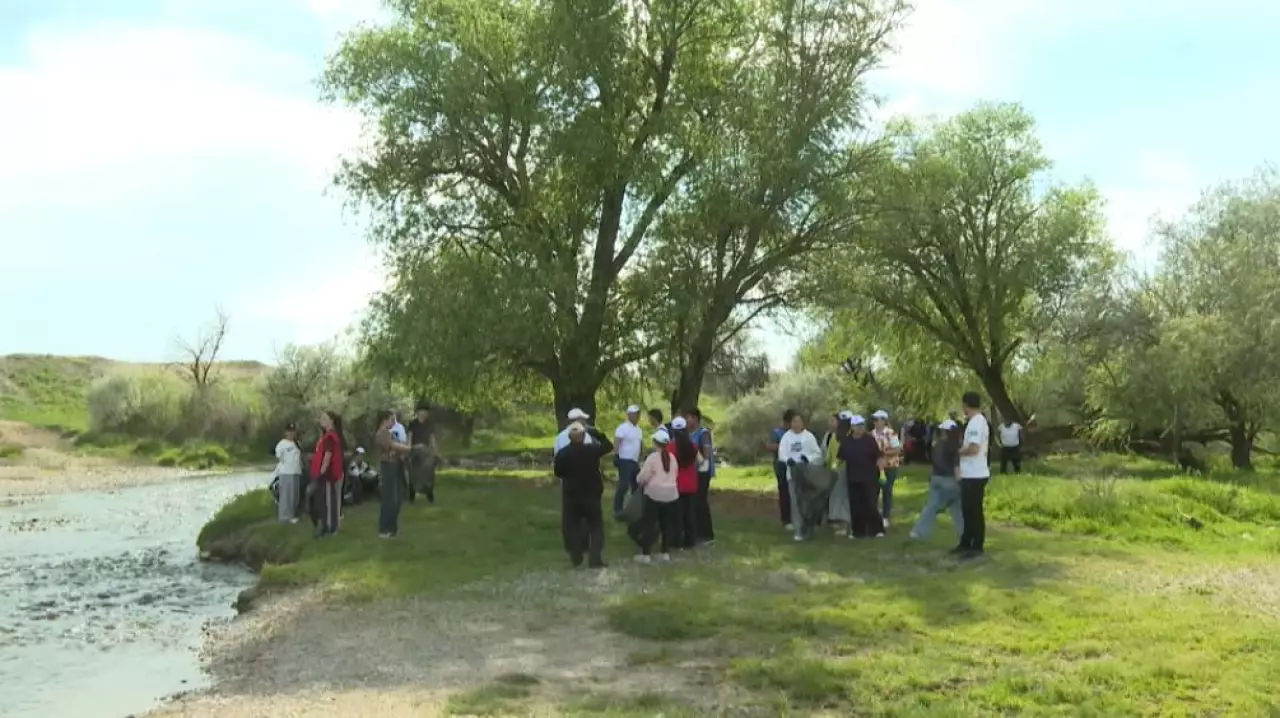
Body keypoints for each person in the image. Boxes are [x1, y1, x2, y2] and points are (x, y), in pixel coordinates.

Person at [553, 422, 614, 568]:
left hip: (571, 495)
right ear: (583, 436)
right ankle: (595, 559)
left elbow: (558, 472)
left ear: (569, 437)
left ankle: (576, 553)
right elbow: (608, 446)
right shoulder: (591, 450)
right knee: (595, 527)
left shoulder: (563, 453)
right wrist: (595, 432)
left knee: (572, 525)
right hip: (591, 493)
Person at [630, 428, 680, 563]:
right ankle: (665, 553)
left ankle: (646, 554)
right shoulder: (672, 458)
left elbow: (643, 477)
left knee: (649, 523)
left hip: (654, 495)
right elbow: (676, 474)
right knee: (666, 524)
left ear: (655, 443)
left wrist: (638, 480)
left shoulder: (652, 458)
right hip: (671, 495)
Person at [910, 419, 964, 541]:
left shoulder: (936, 445)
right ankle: (963, 533)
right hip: (949, 479)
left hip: (935, 478)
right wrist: (960, 481)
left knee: (931, 506)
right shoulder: (953, 446)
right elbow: (956, 466)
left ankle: (918, 532)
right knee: (957, 508)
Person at [776, 411, 822, 541]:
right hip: (793, 473)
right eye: (794, 421)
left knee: (808, 501)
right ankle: (799, 529)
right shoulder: (786, 437)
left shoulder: (809, 436)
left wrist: (807, 458)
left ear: (803, 423)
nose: (796, 424)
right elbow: (782, 454)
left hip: (807, 473)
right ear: (790, 423)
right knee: (796, 502)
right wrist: (788, 460)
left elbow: (817, 454)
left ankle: (810, 526)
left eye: (799, 421)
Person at [955, 392, 991, 558]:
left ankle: (977, 546)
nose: (963, 408)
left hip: (976, 474)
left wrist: (957, 453)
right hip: (969, 474)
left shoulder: (977, 422)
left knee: (974, 511)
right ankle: (965, 542)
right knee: (966, 510)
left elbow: (974, 448)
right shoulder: (973, 422)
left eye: (963, 405)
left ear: (967, 405)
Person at [839, 414, 885, 539]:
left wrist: (882, 471)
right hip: (853, 477)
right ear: (852, 427)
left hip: (869, 477)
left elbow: (879, 456)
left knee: (870, 504)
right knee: (856, 506)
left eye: (861, 425)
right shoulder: (847, 442)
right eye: (857, 425)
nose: (860, 428)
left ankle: (877, 530)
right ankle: (858, 531)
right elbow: (840, 459)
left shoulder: (869, 440)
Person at [373, 410, 412, 538]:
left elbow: (399, 446)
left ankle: (392, 528)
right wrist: (411, 449)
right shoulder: (381, 434)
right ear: (384, 420)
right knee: (389, 498)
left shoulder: (389, 433)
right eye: (391, 419)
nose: (393, 422)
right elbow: (393, 446)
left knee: (398, 496)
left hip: (396, 465)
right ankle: (385, 529)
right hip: (388, 466)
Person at [308, 410, 345, 538]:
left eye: (325, 418)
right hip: (327, 474)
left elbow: (328, 456)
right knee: (327, 501)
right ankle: (329, 525)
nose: (321, 420)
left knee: (333, 501)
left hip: (331, 474)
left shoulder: (330, 436)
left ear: (331, 420)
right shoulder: (325, 435)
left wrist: (321, 472)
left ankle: (333, 528)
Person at [685, 408, 716, 546]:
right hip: (693, 473)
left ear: (696, 419)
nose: (686, 421)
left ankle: (706, 535)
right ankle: (696, 532)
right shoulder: (689, 434)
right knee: (694, 503)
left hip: (703, 472)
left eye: (688, 418)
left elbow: (706, 453)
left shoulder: (703, 434)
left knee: (700, 502)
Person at [668, 416, 700, 549]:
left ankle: (676, 540)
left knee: (677, 514)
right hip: (691, 483)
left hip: (677, 483)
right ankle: (690, 540)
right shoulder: (693, 446)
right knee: (689, 513)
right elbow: (697, 463)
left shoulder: (670, 447)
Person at [612, 405, 644, 521]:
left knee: (636, 485)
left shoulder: (638, 429)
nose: (637, 416)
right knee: (624, 485)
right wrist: (616, 455)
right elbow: (617, 441)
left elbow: (639, 444)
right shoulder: (623, 428)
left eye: (638, 414)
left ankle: (633, 509)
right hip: (625, 459)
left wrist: (641, 456)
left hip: (634, 460)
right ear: (629, 415)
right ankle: (618, 509)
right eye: (635, 414)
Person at [871, 410, 902, 528]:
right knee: (874, 491)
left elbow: (897, 449)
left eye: (877, 420)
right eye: (874, 420)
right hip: (875, 467)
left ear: (884, 420)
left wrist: (883, 453)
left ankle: (885, 517)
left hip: (890, 466)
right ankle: (873, 515)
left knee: (887, 491)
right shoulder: (871, 434)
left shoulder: (890, 433)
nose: (875, 422)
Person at [406, 403, 440, 503]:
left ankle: (429, 493)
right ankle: (412, 493)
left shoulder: (429, 424)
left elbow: (432, 439)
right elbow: (410, 438)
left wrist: (435, 452)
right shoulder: (412, 424)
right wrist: (408, 450)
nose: (424, 413)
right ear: (418, 412)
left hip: (426, 451)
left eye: (426, 412)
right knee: (414, 473)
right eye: (423, 411)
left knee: (428, 472)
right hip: (415, 450)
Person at [766, 411, 794, 531]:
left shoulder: (796, 433)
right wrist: (785, 445)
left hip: (795, 466)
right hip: (781, 466)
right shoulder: (777, 432)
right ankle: (786, 520)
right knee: (784, 492)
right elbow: (770, 446)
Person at [826, 412, 853, 530]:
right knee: (847, 496)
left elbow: (828, 457)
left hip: (836, 470)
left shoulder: (834, 437)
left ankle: (838, 520)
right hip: (850, 469)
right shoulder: (852, 437)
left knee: (838, 496)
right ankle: (847, 521)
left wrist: (829, 467)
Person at [273, 423, 303, 523]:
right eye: (289, 432)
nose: (291, 434)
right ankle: (285, 516)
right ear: (285, 433)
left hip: (296, 471)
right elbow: (279, 457)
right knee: (287, 495)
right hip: (286, 472)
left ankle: (292, 514)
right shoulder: (282, 444)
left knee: (294, 495)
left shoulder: (296, 443)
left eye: (293, 431)